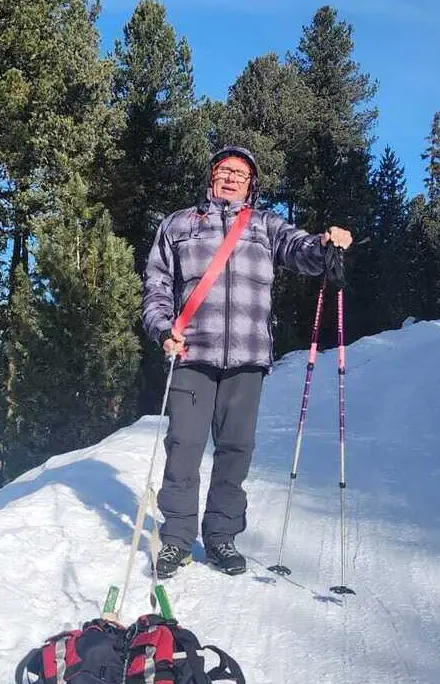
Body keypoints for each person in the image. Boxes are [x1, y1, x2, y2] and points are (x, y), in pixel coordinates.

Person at [141, 146, 353, 578]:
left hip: (248, 355)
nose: (232, 177)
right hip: (191, 352)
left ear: (251, 184)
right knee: (183, 447)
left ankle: (220, 537)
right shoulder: (178, 225)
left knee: (236, 451)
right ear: (211, 176)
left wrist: (326, 243)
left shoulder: (264, 224)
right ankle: (178, 540)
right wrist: (163, 330)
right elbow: (157, 284)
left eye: (241, 173)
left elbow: (302, 251)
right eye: (225, 170)